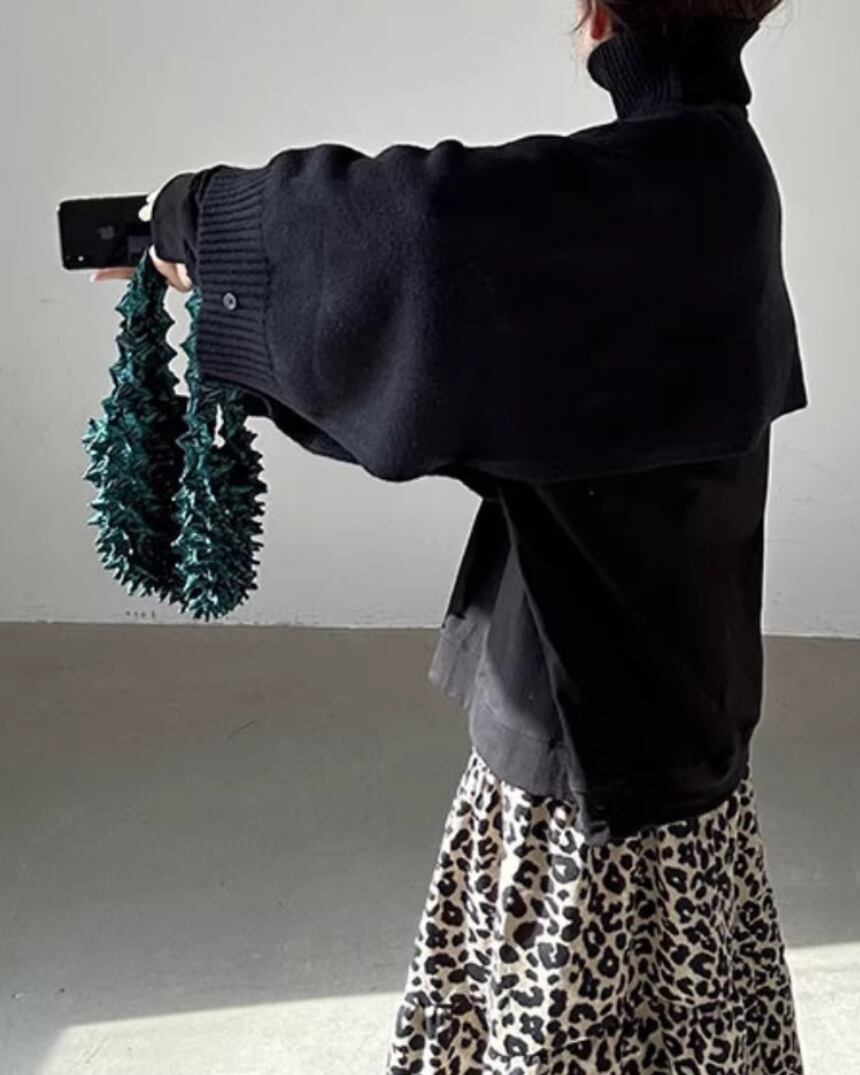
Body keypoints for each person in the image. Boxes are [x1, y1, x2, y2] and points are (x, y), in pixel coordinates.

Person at [93, 1, 808, 1070]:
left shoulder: (640, 189)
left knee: (548, 1022)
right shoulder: (723, 173)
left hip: (583, 746)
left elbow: (420, 231)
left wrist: (196, 222)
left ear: (600, 17)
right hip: (682, 702)